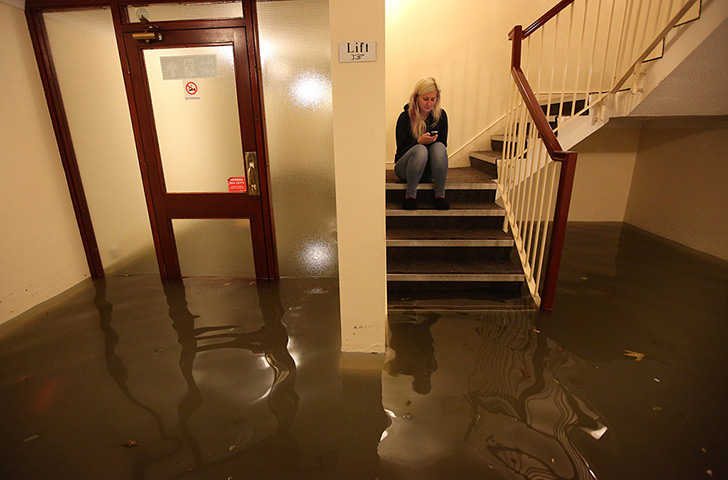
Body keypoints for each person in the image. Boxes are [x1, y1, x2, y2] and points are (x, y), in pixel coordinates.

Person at [394, 77, 449, 210]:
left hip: (429, 170)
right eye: (425, 99)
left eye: (432, 99)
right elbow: (401, 150)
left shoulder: (440, 116)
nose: (429, 103)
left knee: (439, 147)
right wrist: (418, 141)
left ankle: (440, 195)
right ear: (417, 98)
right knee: (420, 150)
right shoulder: (405, 117)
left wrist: (431, 142)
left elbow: (442, 147)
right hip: (405, 169)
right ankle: (410, 196)